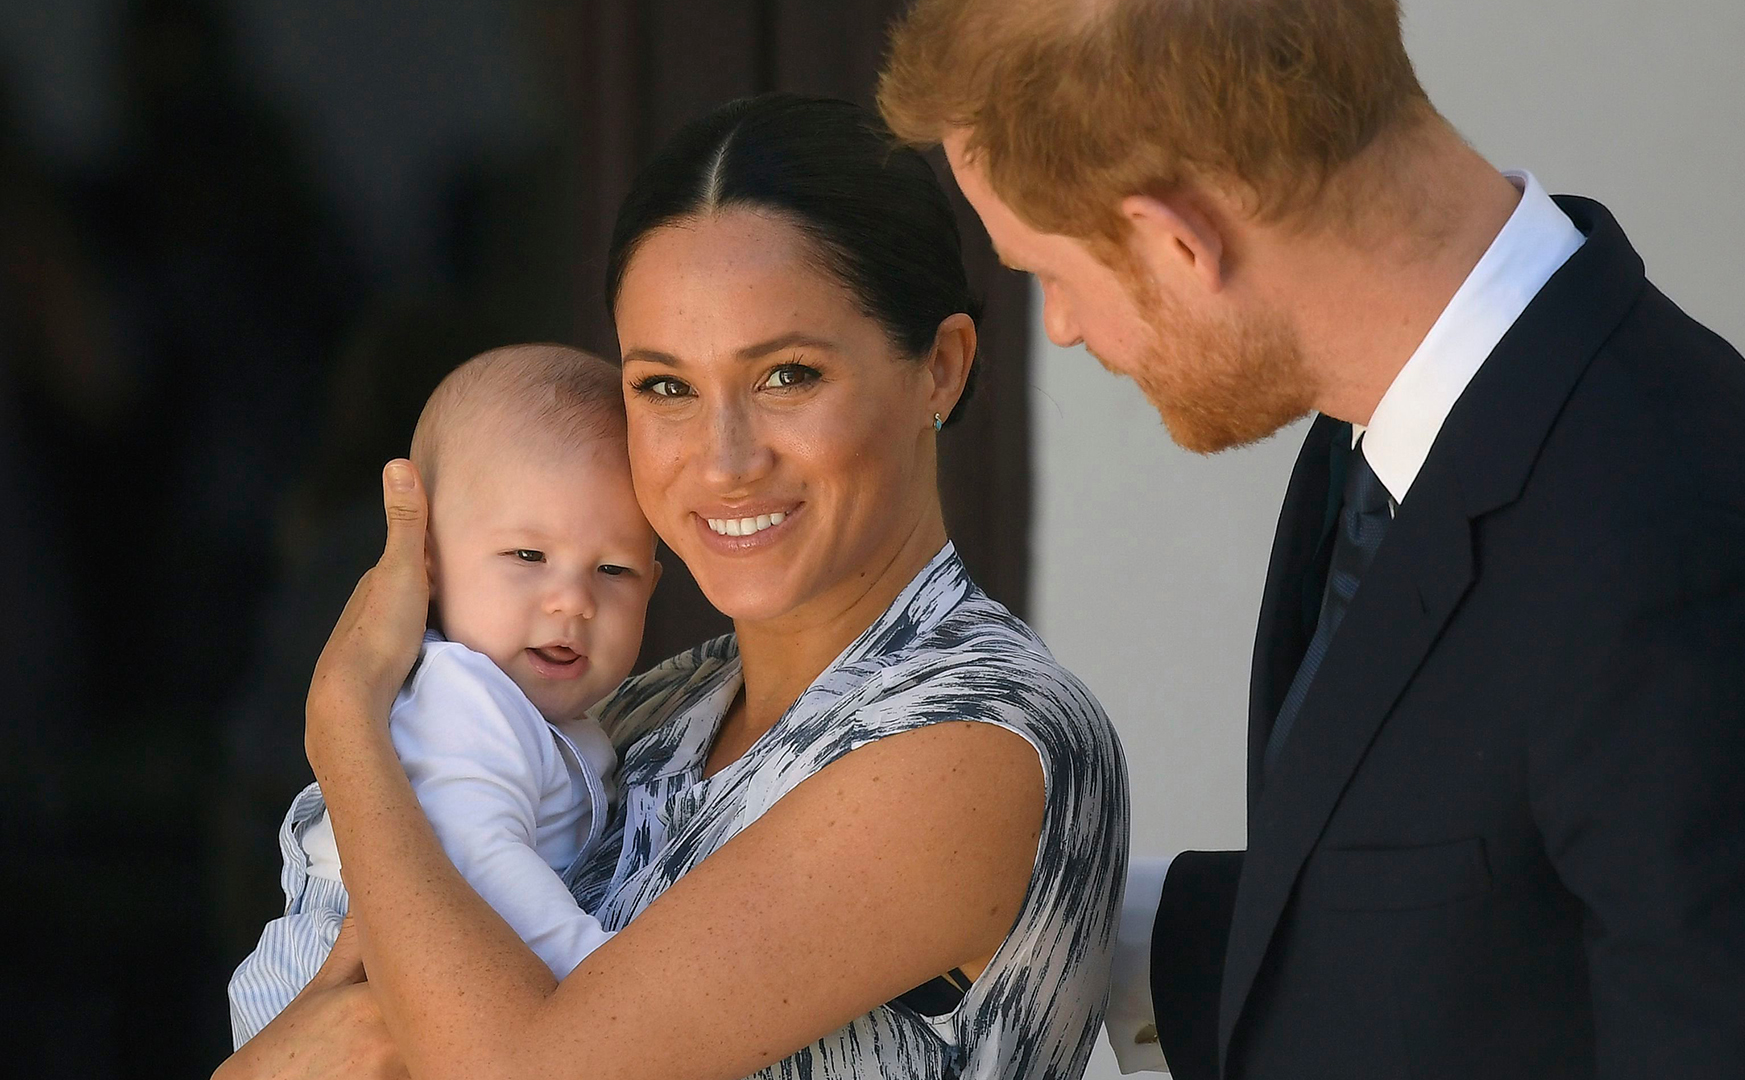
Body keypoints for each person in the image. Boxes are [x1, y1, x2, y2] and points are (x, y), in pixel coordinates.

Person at [878, 1, 1745, 1078]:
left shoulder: (1682, 561)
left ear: (1180, 241)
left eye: (1048, 272)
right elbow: (1470, 931)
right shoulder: (1394, 428)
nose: (1063, 327)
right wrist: (1045, 912)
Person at [214, 93, 1128, 1080]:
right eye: (665, 387)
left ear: (940, 370)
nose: (724, 459)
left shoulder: (977, 738)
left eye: (787, 375)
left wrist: (347, 719)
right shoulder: (644, 712)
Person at [226, 344, 656, 1045]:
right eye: (528, 556)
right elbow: (482, 861)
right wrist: (596, 975)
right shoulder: (463, 698)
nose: (573, 600)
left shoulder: (562, 717)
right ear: (426, 562)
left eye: (614, 570)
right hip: (340, 983)